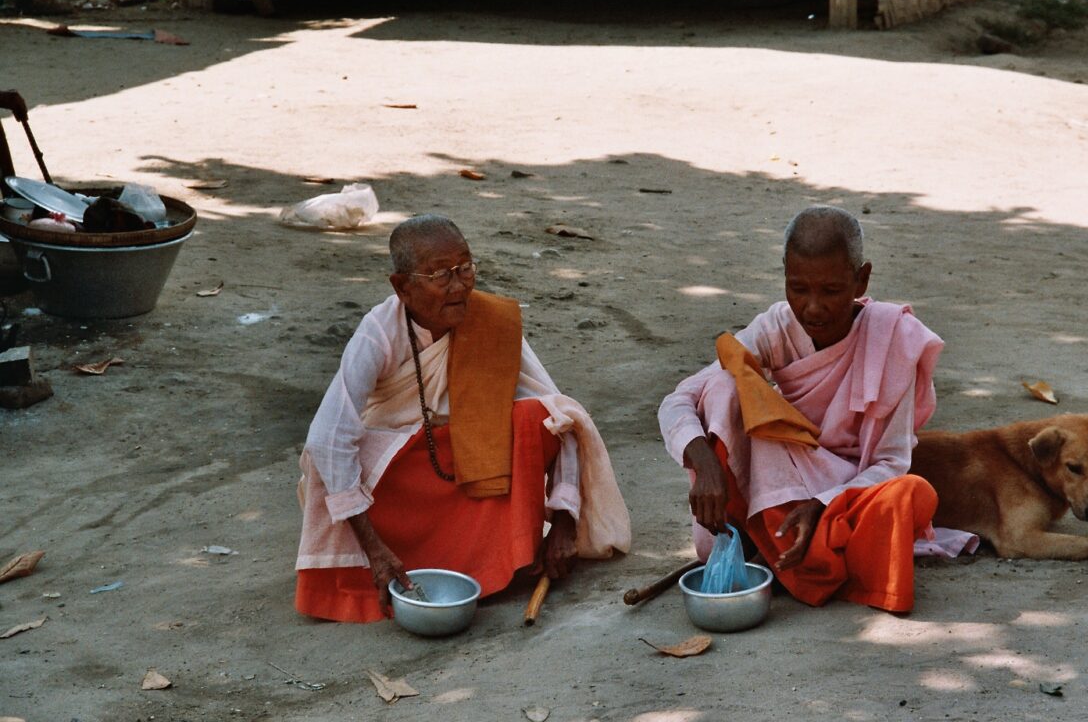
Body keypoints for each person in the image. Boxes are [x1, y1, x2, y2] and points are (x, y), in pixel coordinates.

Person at [295, 215, 631, 622]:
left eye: (465, 268)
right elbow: (328, 438)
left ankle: (503, 558)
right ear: (402, 286)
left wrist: (563, 521)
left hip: (467, 461)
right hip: (400, 480)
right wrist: (375, 550)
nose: (459, 286)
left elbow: (558, 415)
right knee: (327, 459)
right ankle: (385, 565)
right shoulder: (378, 333)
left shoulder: (491, 321)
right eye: (439, 275)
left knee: (534, 419)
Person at [658, 205, 962, 613]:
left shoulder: (895, 339)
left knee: (913, 494)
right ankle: (759, 540)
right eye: (798, 289)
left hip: (847, 494)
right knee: (727, 384)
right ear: (784, 275)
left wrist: (821, 506)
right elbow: (678, 400)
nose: (813, 308)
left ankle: (788, 553)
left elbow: (891, 462)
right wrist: (703, 461)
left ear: (861, 278)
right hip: (779, 483)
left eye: (831, 291)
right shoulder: (776, 328)